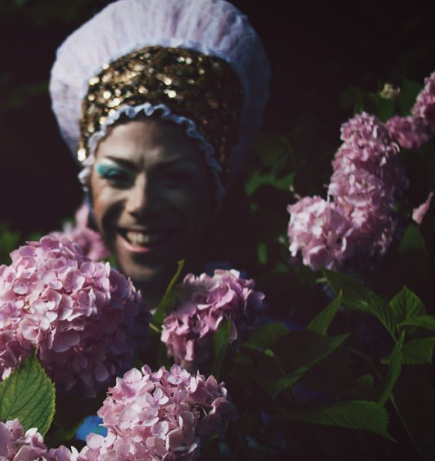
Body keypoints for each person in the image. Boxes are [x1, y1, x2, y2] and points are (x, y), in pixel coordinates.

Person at [49, 0, 270, 309]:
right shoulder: (52, 336)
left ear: (214, 187)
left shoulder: (277, 338)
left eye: (175, 177)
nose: (141, 205)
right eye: (117, 176)